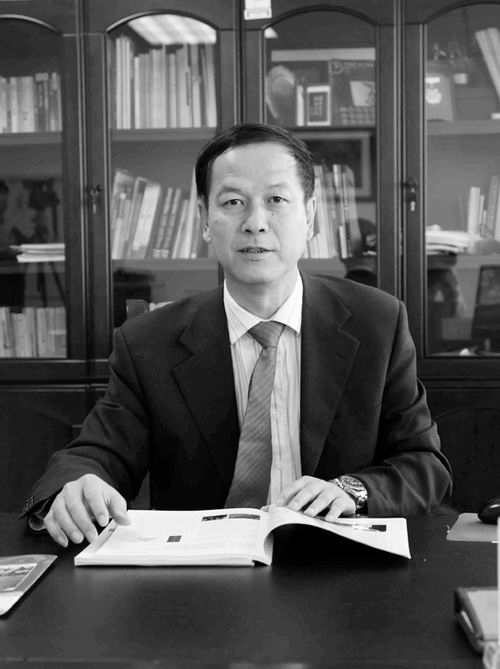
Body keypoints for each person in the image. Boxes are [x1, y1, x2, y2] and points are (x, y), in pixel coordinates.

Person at [23, 122, 452, 547]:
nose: (255, 223)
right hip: (204, 570)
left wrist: (353, 490)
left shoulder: (377, 324)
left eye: (276, 200)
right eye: (233, 202)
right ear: (205, 219)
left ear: (310, 217)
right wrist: (76, 485)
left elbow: (423, 464)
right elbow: (95, 454)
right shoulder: (149, 343)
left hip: (335, 564)